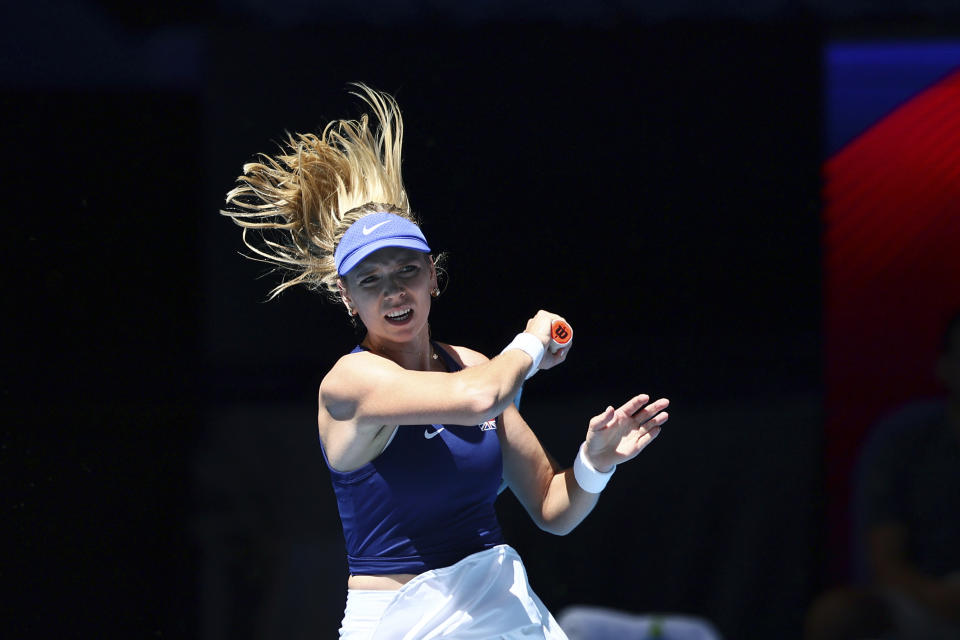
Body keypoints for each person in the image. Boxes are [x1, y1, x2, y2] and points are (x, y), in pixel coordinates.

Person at [221, 85, 670, 639]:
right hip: (404, 624)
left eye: (406, 271)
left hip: (500, 612)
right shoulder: (351, 381)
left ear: (433, 275)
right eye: (371, 280)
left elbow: (554, 508)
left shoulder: (473, 365)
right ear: (348, 298)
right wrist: (529, 346)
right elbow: (478, 399)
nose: (393, 292)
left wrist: (596, 462)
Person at [804, 313, 960, 640]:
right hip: (924, 600)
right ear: (944, 366)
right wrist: (937, 597)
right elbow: (885, 558)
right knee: (837, 615)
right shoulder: (906, 442)